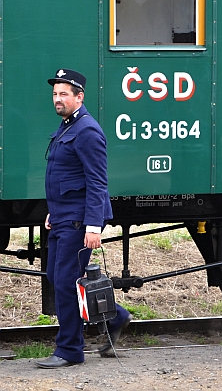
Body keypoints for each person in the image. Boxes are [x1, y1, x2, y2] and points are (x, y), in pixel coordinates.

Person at [36, 69, 132, 369]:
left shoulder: (87, 130)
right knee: (57, 277)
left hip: (79, 222)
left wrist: (94, 225)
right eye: (55, 94)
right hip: (63, 216)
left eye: (64, 94)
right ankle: (115, 316)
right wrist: (55, 209)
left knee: (65, 281)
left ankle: (69, 350)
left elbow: (97, 181)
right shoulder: (66, 127)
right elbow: (65, 176)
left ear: (79, 97)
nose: (57, 99)